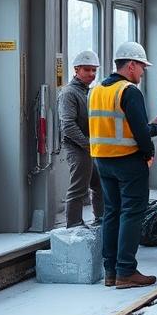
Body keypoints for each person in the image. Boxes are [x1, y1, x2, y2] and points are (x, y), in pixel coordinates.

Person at [89, 41, 157, 289]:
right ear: (130, 65)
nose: (143, 72)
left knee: (112, 213)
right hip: (128, 161)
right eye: (141, 67)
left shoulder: (97, 91)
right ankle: (126, 271)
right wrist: (154, 139)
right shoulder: (129, 91)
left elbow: (114, 126)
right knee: (131, 213)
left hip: (102, 161)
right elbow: (141, 132)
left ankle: (111, 271)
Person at [59, 50, 103, 229]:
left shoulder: (90, 93)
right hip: (77, 147)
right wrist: (88, 145)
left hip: (89, 146)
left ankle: (102, 219)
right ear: (76, 70)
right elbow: (68, 125)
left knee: (99, 184)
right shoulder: (69, 93)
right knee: (78, 188)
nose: (91, 74)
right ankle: (74, 226)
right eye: (87, 70)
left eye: (94, 70)